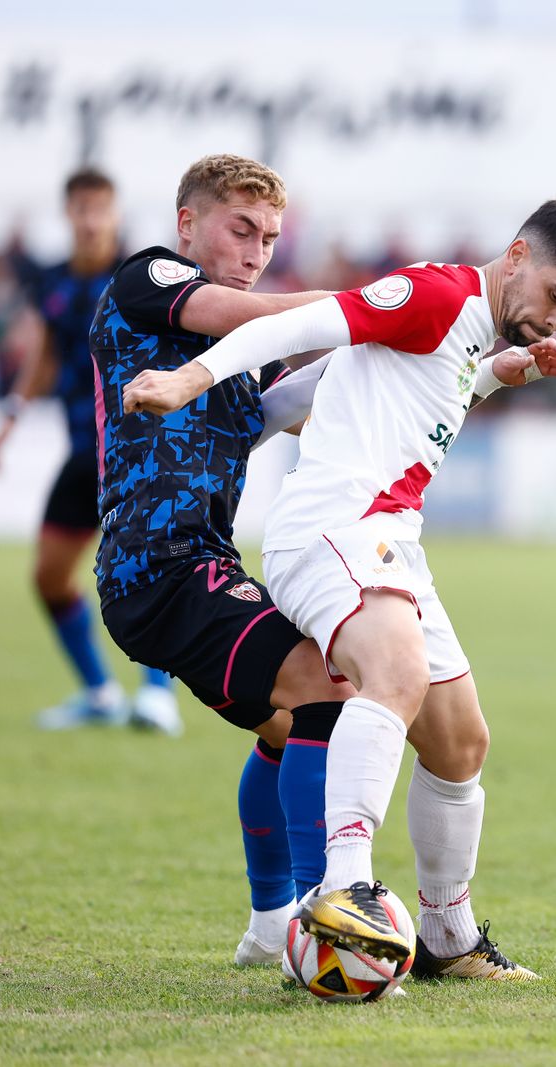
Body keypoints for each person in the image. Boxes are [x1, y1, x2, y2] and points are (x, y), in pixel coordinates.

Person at [121, 195, 556, 980]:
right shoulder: (436, 295)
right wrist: (189, 378)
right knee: (393, 677)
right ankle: (346, 889)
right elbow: (298, 329)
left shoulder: (467, 333)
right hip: (333, 529)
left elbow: (385, 392)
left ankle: (447, 939)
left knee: (460, 742)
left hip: (390, 542)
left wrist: (498, 372)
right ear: (518, 256)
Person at [88, 153, 357, 967]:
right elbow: (269, 312)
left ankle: (269, 924)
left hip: (194, 565)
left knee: (287, 724)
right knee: (322, 683)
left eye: (270, 237)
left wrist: (454, 370)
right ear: (188, 224)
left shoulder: (246, 356)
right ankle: (325, 925)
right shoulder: (148, 278)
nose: (256, 250)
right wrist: (375, 309)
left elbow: (293, 408)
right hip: (158, 566)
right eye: (241, 229)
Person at [0, 168, 180, 734]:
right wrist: (11, 414)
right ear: (68, 213)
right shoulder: (52, 283)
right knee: (50, 576)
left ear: (116, 212)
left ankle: (156, 695)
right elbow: (46, 356)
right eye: (82, 207)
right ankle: (99, 693)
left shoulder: (142, 275)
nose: (91, 217)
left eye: (101, 207)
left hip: (135, 445)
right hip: (81, 450)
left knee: (147, 568)